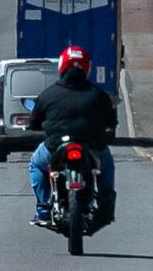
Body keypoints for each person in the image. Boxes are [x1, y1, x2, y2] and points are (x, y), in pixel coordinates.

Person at [28, 45, 117, 227]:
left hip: (55, 146)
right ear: (86, 68)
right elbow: (111, 122)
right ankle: (106, 206)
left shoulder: (48, 94)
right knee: (106, 164)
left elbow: (34, 121)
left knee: (36, 164)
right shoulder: (98, 95)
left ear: (62, 67)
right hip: (92, 145)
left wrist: (37, 126)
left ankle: (44, 209)